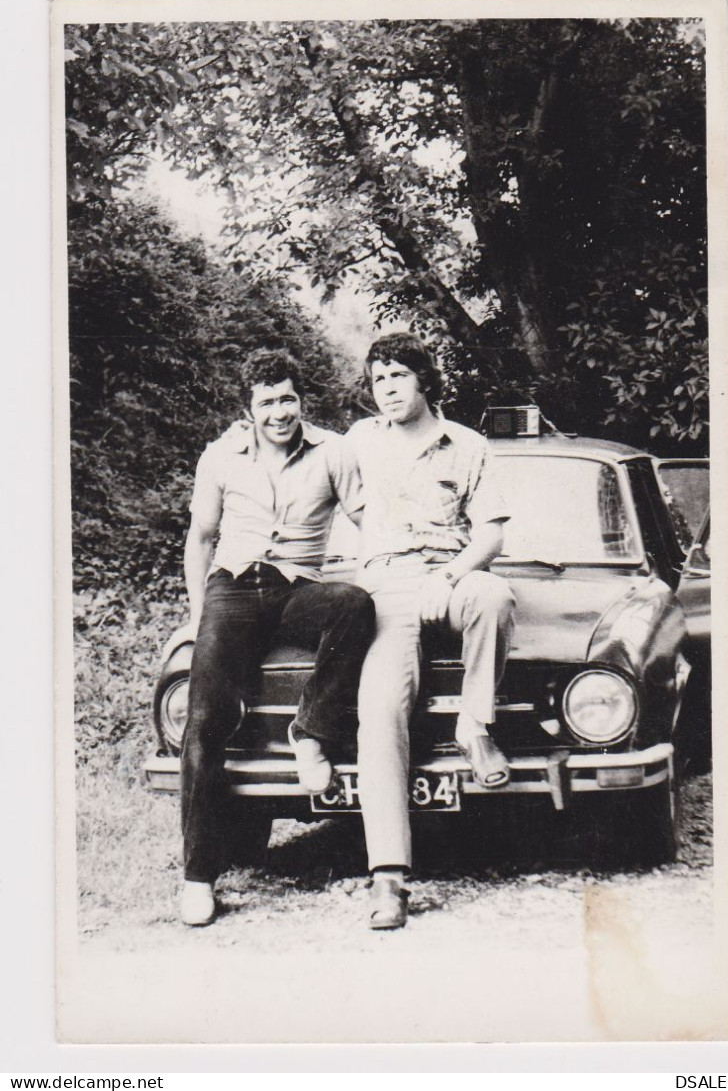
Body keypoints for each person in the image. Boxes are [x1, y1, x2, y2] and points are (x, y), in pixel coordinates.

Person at [179, 349, 375, 926]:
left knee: (356, 605)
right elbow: (202, 537)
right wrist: (198, 615)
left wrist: (393, 562)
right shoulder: (219, 457)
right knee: (206, 716)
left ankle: (310, 732)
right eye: (266, 402)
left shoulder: (333, 452)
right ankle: (197, 878)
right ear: (249, 409)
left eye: (287, 399)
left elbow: (369, 520)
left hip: (298, 588)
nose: (279, 412)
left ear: (301, 401)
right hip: (233, 590)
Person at [346, 334, 516, 931]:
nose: (387, 388)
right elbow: (298, 448)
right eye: (377, 380)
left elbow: (491, 536)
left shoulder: (467, 446)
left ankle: (474, 725)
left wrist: (449, 574)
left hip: (449, 573)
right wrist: (245, 436)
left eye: (397, 375)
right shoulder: (359, 443)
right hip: (386, 585)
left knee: (494, 594)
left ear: (424, 381)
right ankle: (388, 878)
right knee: (379, 707)